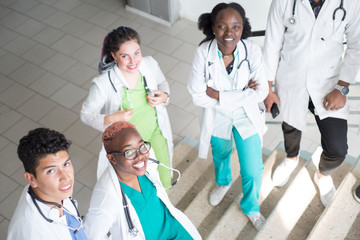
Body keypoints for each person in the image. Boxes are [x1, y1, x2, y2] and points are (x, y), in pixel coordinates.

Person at [263, 0, 360, 207]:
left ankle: (323, 175)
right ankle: (291, 159)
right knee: (290, 126)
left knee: (337, 149)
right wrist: (268, 88)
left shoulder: (351, 3)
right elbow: (272, 42)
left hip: (328, 85)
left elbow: (356, 46)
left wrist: (342, 87)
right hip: (291, 79)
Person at [187, 2, 269, 230]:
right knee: (221, 154)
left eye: (236, 26)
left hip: (246, 116)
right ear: (213, 27)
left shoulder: (251, 50)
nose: (229, 32)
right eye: (222, 26)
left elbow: (261, 91)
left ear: (243, 28)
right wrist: (243, 94)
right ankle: (223, 183)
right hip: (217, 116)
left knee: (253, 168)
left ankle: (251, 207)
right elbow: (196, 94)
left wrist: (217, 94)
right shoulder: (203, 53)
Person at [80, 26, 173, 188]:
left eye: (137, 53)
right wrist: (113, 118)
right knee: (139, 184)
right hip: (128, 147)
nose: (133, 61)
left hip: (155, 134)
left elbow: (162, 82)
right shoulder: (103, 83)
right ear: (114, 56)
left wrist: (164, 96)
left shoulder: (149, 64)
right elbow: (86, 115)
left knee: (164, 178)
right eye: (125, 56)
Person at [83, 121, 202, 239]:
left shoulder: (145, 161)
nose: (140, 156)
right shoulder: (106, 196)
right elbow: (90, 236)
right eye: (129, 152)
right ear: (112, 158)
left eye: (141, 146)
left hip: (174, 230)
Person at [7, 128, 87, 240]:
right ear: (31, 179)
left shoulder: (51, 191)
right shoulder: (33, 233)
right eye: (51, 171)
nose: (65, 178)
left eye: (66, 164)